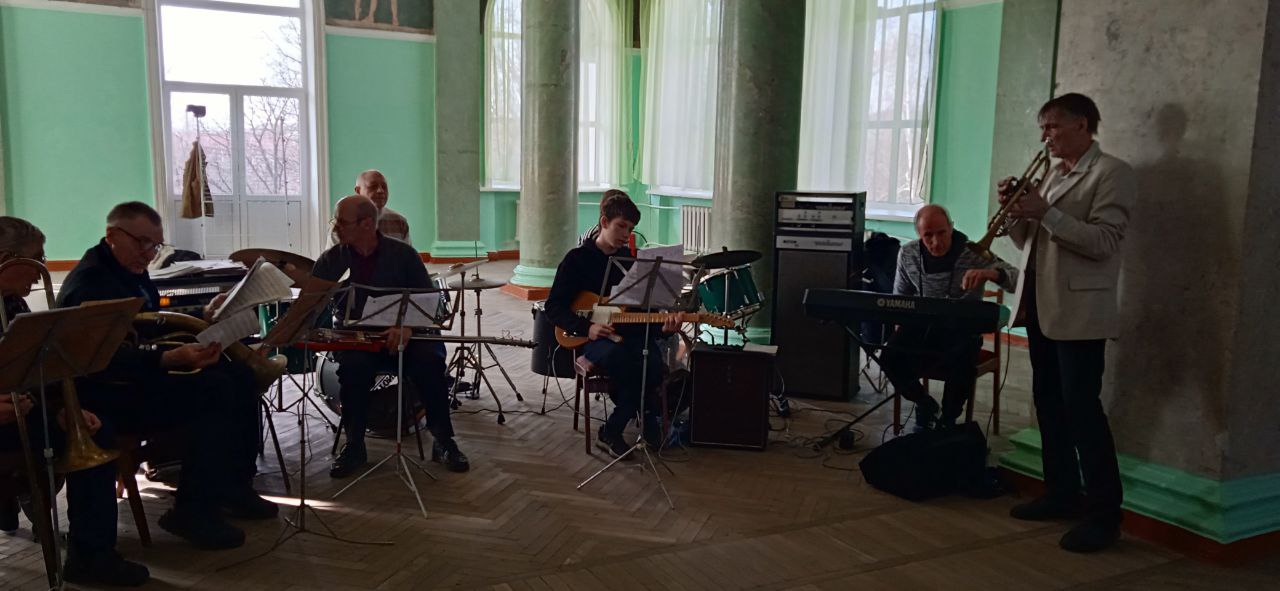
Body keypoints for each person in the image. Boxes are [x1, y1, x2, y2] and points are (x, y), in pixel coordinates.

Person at [57, 202, 277, 552]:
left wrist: (202, 315)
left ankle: (233, 487)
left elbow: (149, 324)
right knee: (214, 390)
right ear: (112, 235)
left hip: (138, 378)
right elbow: (100, 359)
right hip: (107, 393)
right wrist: (166, 358)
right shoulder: (91, 283)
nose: (149, 254)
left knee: (239, 376)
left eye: (155, 245)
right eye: (142, 243)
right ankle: (192, 510)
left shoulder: (127, 268)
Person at [1001, 93, 1133, 553]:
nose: (1046, 137)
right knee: (1048, 403)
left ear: (1082, 124)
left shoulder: (1112, 173)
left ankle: (1104, 516)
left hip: (1079, 312)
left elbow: (1104, 241)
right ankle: (1061, 493)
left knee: (1083, 412)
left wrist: (1045, 211)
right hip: (1040, 305)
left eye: (1052, 127)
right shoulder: (1054, 173)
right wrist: (1016, 213)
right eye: (1043, 128)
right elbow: (1029, 241)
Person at [0, 216, 150, 586]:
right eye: (36, 258)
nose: (42, 269)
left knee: (94, 429)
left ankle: (91, 557)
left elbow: (36, 370)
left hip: (19, 414)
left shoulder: (13, 304)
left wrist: (62, 409)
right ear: (6, 259)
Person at [314, 195, 469, 477]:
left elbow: (429, 302)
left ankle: (443, 441)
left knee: (430, 363)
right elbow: (314, 306)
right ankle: (355, 445)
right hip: (358, 340)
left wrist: (408, 326)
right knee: (353, 369)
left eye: (342, 222)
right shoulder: (332, 260)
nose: (335, 228)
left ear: (367, 224)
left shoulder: (403, 255)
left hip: (407, 336)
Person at [543, 190, 681, 459]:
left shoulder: (632, 263)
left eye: (630, 229)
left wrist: (663, 327)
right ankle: (644, 419)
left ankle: (613, 429)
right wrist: (588, 328)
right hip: (593, 339)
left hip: (631, 336)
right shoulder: (576, 260)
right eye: (621, 226)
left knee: (653, 363)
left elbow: (643, 313)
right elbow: (553, 307)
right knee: (625, 361)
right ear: (604, 222)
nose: (625, 235)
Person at [878, 205, 1017, 432]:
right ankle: (924, 404)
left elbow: (1016, 279)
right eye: (928, 236)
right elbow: (900, 298)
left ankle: (948, 420)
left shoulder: (973, 252)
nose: (936, 242)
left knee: (962, 360)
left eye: (942, 233)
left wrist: (989, 273)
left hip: (961, 331)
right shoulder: (908, 253)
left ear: (951, 228)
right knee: (889, 356)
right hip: (923, 327)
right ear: (919, 235)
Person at [330, 170, 411, 247]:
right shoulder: (343, 224)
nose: (380, 191)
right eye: (373, 186)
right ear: (358, 191)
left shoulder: (400, 222)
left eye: (384, 187)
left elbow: (407, 256)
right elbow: (335, 256)